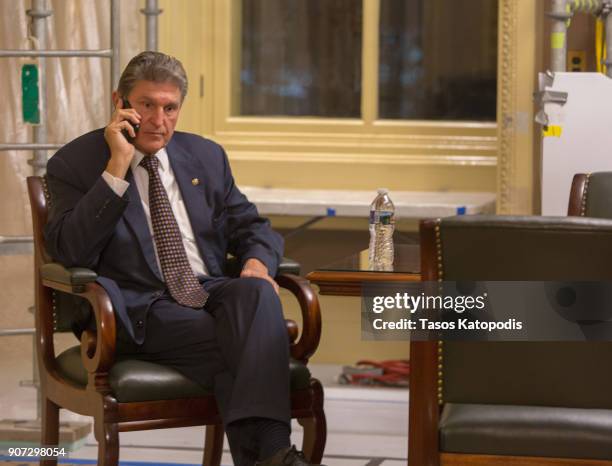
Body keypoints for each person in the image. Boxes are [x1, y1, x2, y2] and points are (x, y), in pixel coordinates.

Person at [44, 51, 321, 466]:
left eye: (170, 107)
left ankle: (267, 454)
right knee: (259, 338)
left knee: (257, 296)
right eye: (147, 105)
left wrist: (256, 265)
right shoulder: (75, 163)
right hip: (139, 306)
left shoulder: (205, 156)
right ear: (119, 101)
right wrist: (117, 167)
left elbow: (252, 226)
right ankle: (274, 451)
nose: (159, 120)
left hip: (205, 289)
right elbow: (71, 251)